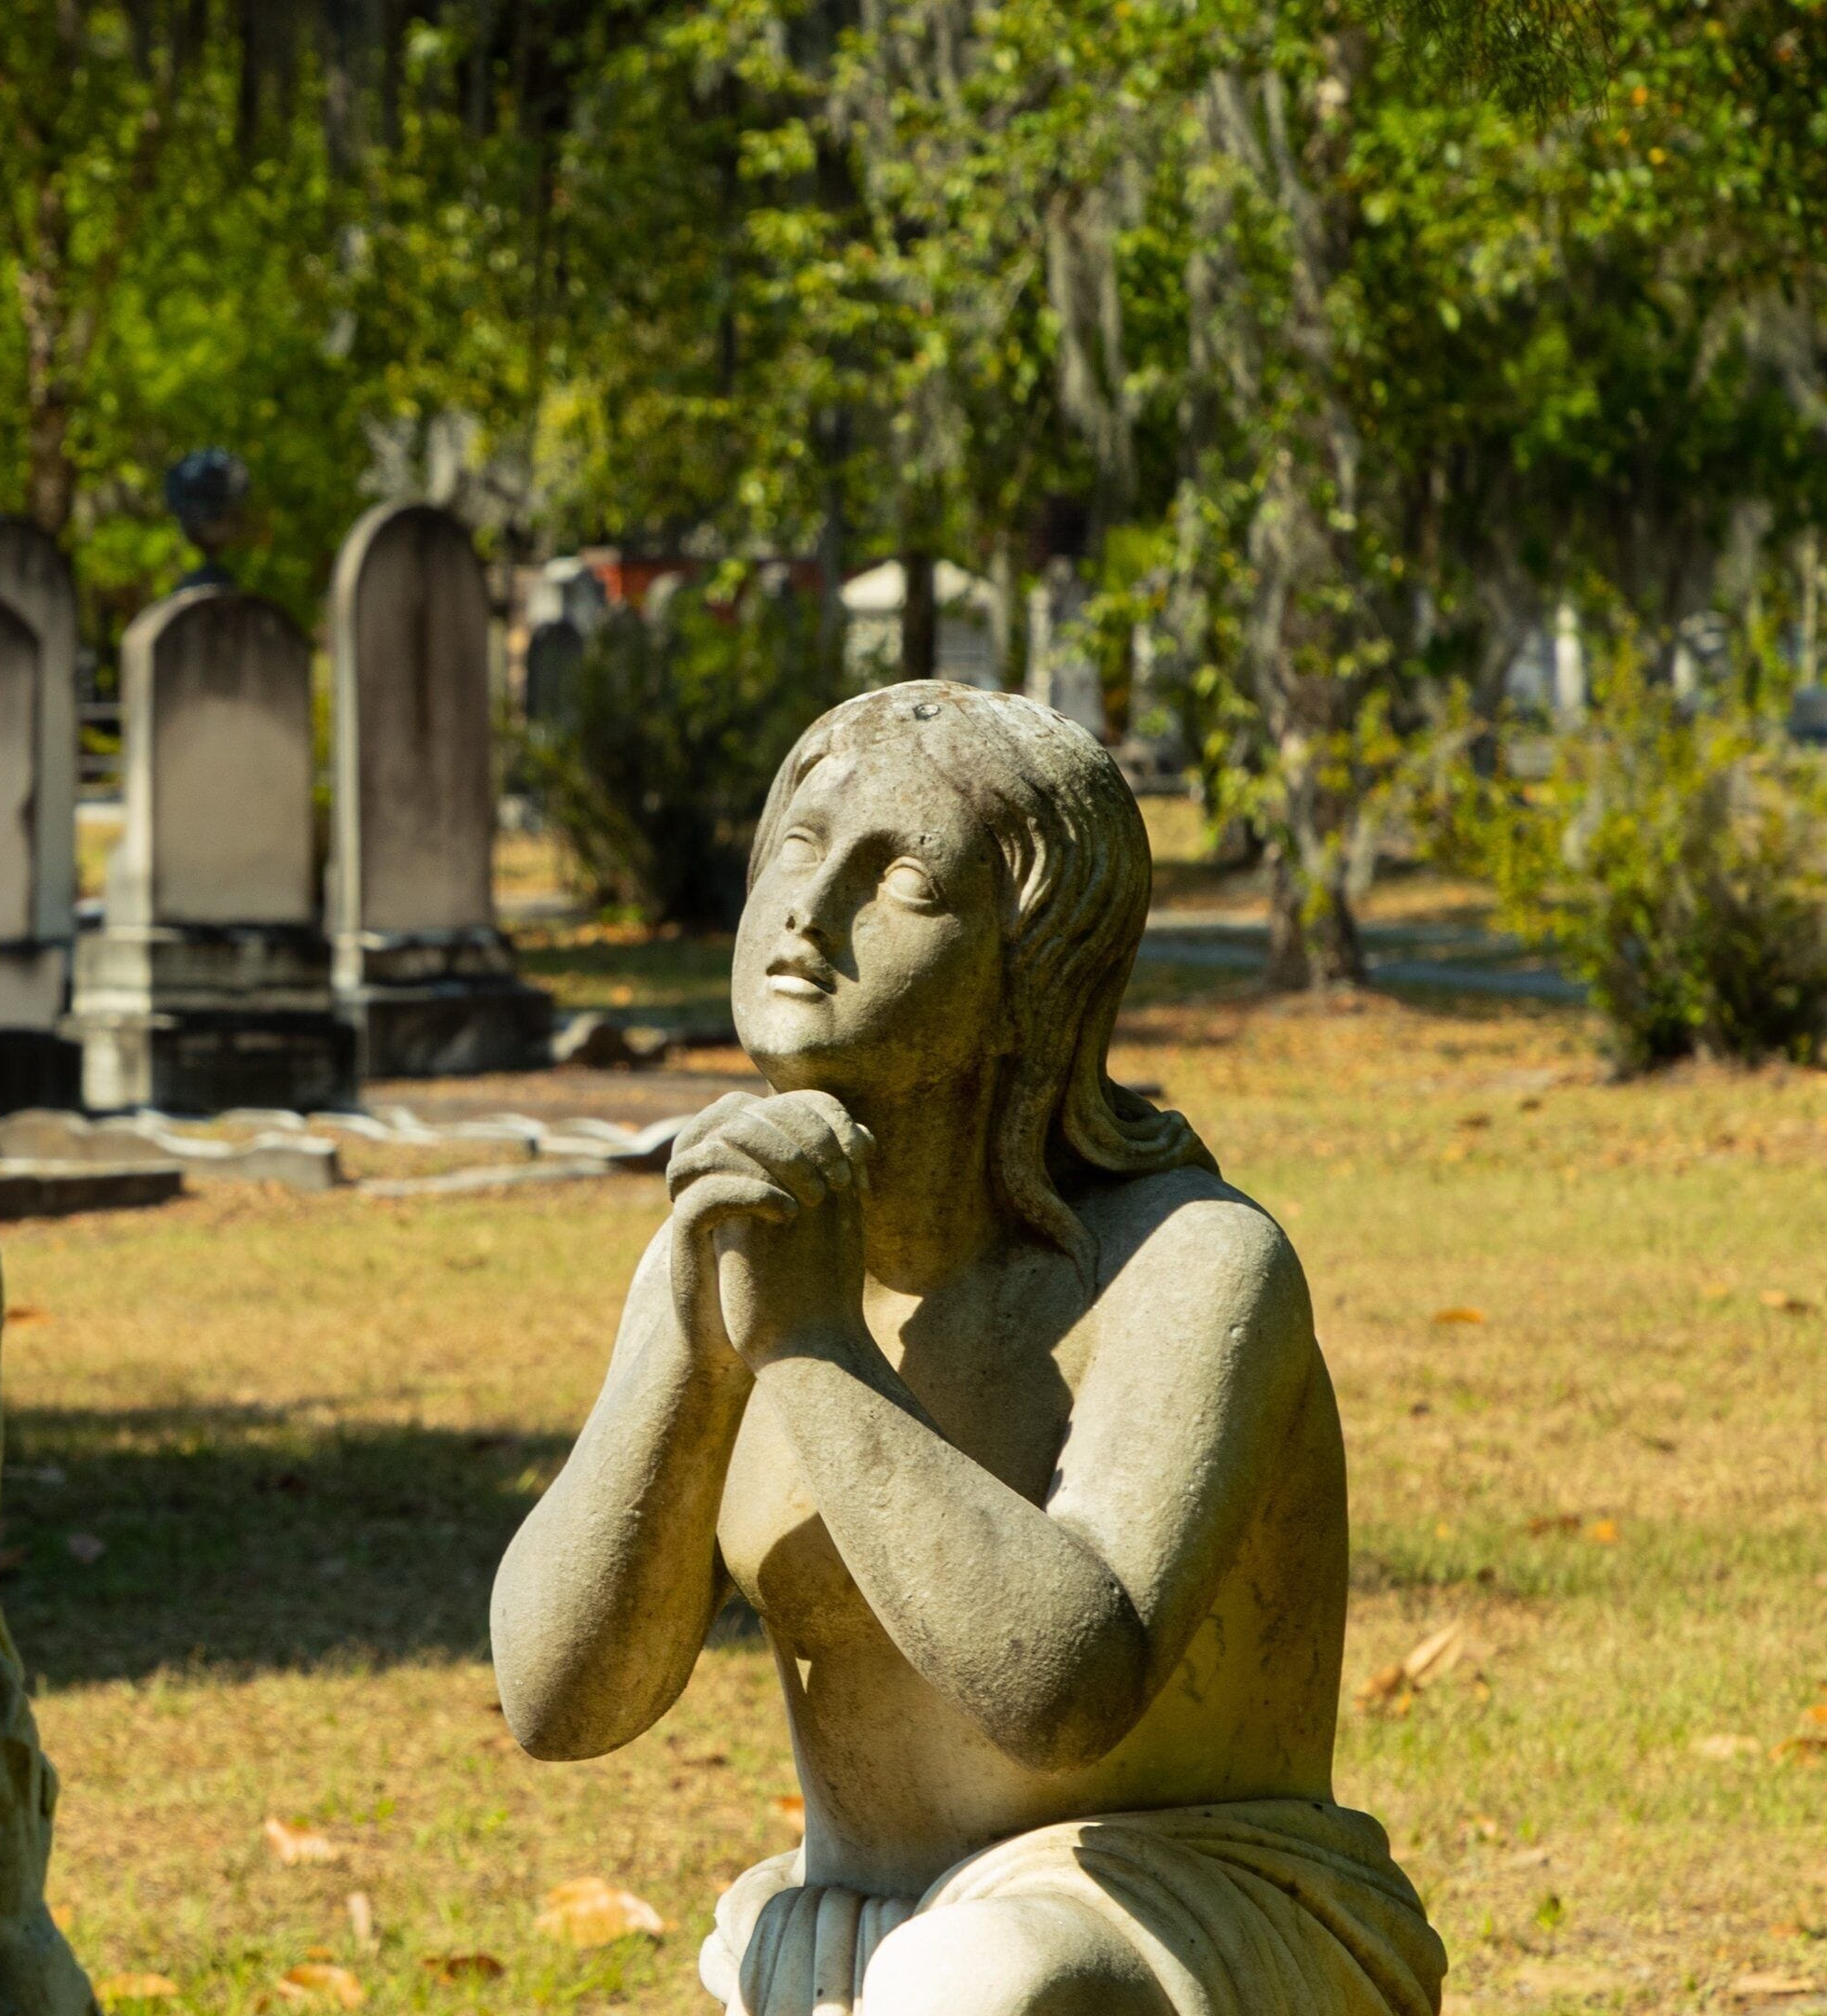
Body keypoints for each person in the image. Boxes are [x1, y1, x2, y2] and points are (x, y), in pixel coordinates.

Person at [491, 683, 1444, 2016]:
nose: (811, 920)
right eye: (802, 850)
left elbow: (1066, 1693)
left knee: (975, 1981)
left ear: (1032, 979)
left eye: (909, 883)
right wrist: (703, 1350)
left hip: (1191, 1907)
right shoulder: (729, 1255)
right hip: (860, 1925)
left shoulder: (1191, 1267)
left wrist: (815, 1351)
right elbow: (555, 1703)